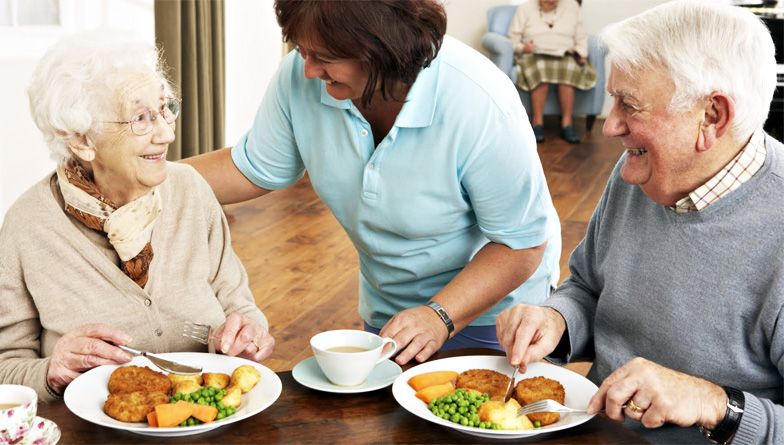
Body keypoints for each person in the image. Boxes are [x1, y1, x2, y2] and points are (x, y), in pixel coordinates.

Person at [185, 0, 561, 366]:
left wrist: (440, 315)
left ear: (381, 50)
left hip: (495, 314)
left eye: (325, 57)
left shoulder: (479, 101)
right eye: (302, 50)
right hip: (391, 309)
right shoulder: (301, 77)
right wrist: (156, 177)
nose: (309, 70)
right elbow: (252, 167)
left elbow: (521, 244)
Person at [496, 1, 781, 443]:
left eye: (629, 105)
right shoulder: (641, 169)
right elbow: (588, 286)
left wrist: (713, 404)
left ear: (712, 116)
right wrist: (557, 320)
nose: (610, 126)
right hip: (596, 431)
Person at [0, 33, 274, 402]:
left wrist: (248, 334)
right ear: (82, 140)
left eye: (165, 109)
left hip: (207, 416)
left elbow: (239, 305)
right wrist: (50, 371)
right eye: (141, 118)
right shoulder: (27, 226)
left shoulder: (190, 190)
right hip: (94, 428)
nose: (166, 133)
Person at [508, 0, 597, 144]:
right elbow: (512, 39)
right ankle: (537, 122)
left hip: (564, 54)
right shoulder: (525, 8)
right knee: (540, 69)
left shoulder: (572, 6)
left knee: (569, 69)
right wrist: (523, 47)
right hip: (534, 54)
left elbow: (581, 36)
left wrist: (581, 53)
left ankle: (567, 124)